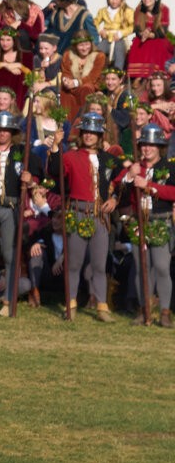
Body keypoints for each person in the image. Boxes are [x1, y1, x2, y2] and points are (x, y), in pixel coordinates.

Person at [57, 113, 120, 322]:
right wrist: (55, 149)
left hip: (99, 215)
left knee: (100, 265)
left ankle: (102, 306)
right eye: (87, 132)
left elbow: (123, 182)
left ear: (100, 135)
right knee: (74, 263)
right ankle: (71, 303)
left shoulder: (109, 159)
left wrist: (114, 199)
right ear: (81, 134)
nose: (90, 136)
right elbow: (55, 175)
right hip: (77, 212)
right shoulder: (70, 157)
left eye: (94, 133)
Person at [121, 124, 174, 326]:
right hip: (139, 222)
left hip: (160, 220)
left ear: (159, 147)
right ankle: (144, 310)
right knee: (141, 266)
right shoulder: (136, 167)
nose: (147, 149)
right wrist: (129, 177)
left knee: (161, 266)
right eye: (144, 145)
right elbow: (122, 193)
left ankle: (165, 312)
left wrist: (149, 186)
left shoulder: (169, 167)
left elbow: (173, 193)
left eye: (152, 145)